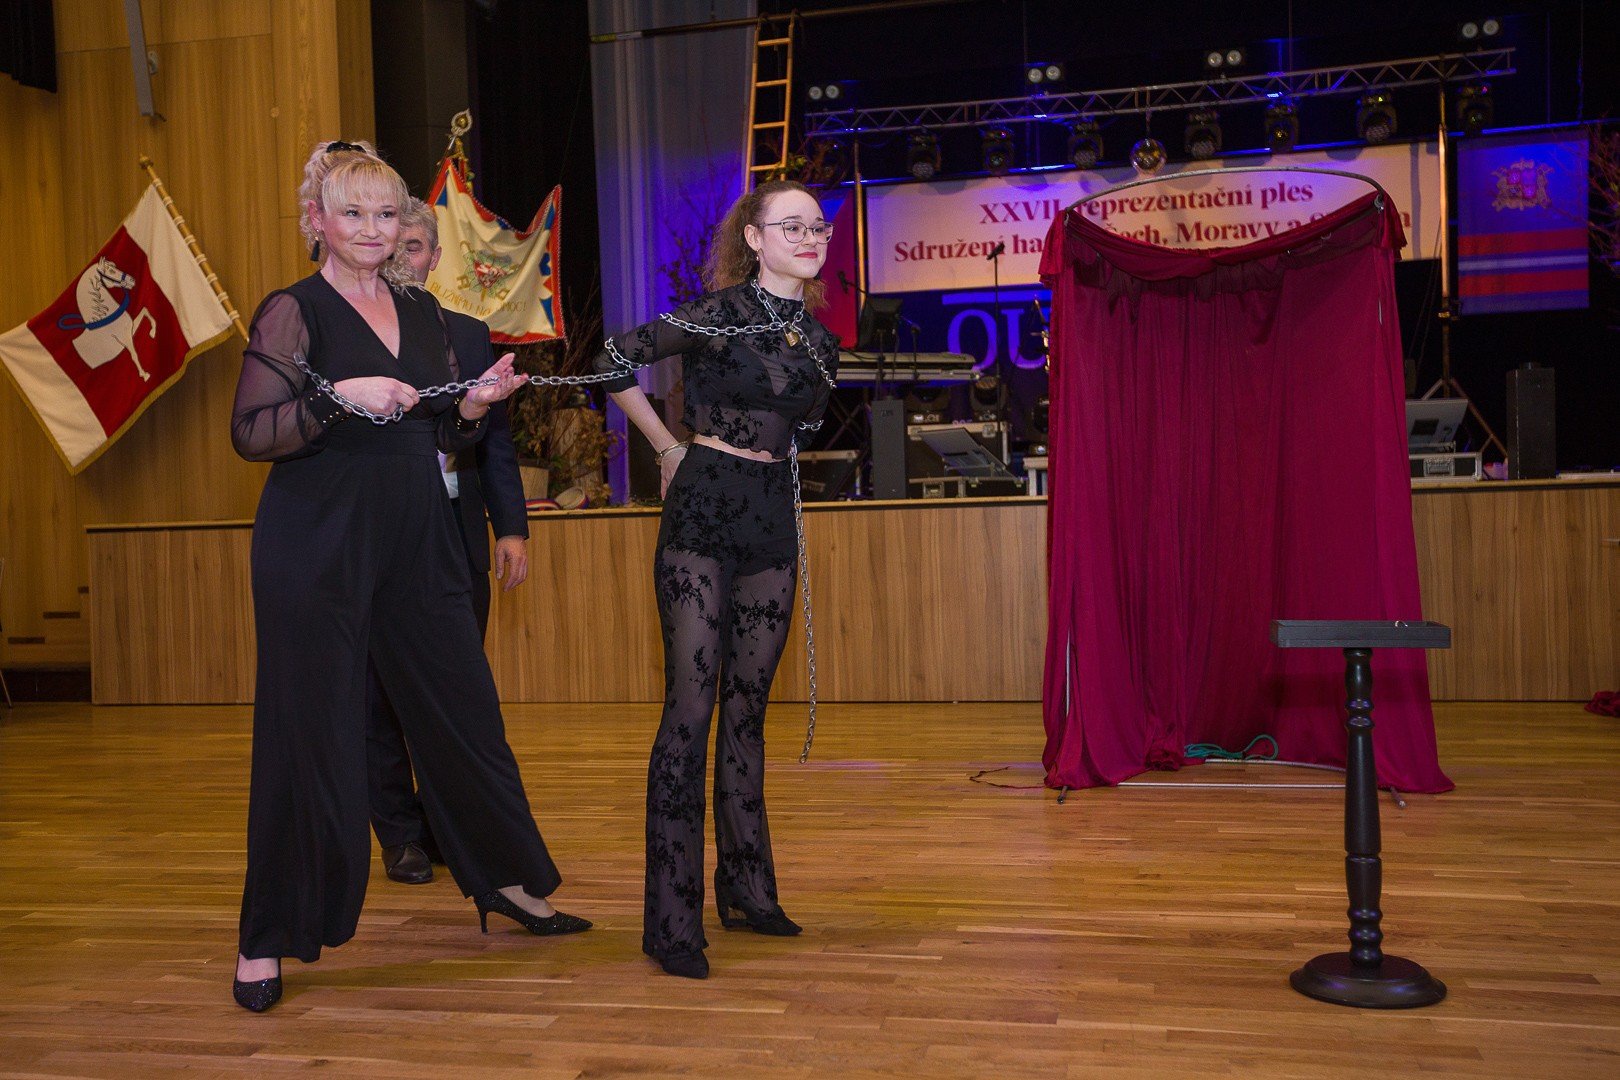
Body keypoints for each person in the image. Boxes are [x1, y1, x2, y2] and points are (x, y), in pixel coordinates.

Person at [229, 141, 588, 1014]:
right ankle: (265, 937)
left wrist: (473, 406)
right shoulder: (293, 310)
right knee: (307, 733)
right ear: (317, 220)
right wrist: (335, 398)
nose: (372, 228)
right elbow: (251, 431)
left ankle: (505, 880)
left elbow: (446, 431)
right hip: (316, 540)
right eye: (352, 213)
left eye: (386, 214)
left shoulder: (424, 312)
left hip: (418, 532)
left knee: (465, 711)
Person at [591, 179, 839, 979]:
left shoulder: (819, 340)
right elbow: (610, 360)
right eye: (791, 225)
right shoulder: (715, 313)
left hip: (771, 519)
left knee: (747, 713)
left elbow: (795, 429)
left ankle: (748, 892)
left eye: (817, 226)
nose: (809, 237)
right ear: (754, 238)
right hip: (702, 506)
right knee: (691, 709)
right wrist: (666, 446)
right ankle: (671, 923)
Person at [367, 198, 531, 887]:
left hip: (458, 529)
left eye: (413, 248)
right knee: (378, 694)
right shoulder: (355, 332)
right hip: (379, 533)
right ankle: (399, 834)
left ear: (435, 259)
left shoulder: (468, 334)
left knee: (453, 688)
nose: (400, 258)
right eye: (391, 245)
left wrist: (511, 528)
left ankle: (442, 827)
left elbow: (496, 441)